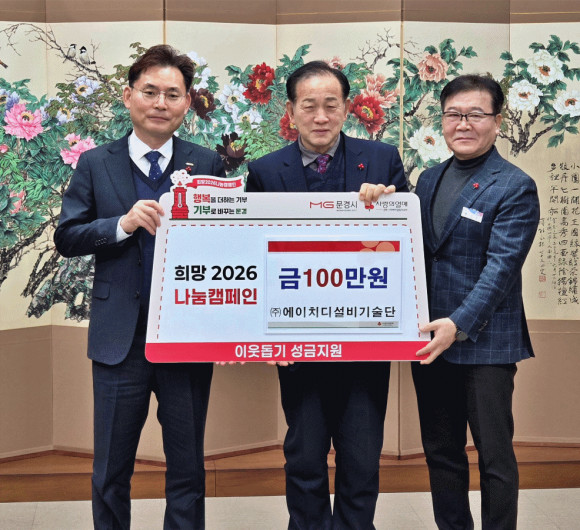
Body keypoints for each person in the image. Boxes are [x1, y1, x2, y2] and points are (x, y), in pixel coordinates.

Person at [54, 44, 225, 529]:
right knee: (111, 469)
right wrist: (122, 224)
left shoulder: (206, 163)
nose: (160, 103)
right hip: (119, 341)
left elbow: (227, 244)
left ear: (187, 103)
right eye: (150, 92)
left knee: (188, 469)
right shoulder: (95, 163)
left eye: (172, 94)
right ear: (129, 96)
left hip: (185, 337)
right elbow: (67, 237)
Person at [246, 60, 407, 529]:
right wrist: (263, 335)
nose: (320, 116)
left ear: (347, 108)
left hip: (366, 339)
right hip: (297, 342)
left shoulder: (381, 160)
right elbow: (252, 255)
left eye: (331, 105)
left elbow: (408, 242)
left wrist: (390, 203)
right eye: (309, 105)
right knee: (304, 456)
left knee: (362, 458)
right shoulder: (265, 171)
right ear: (291, 111)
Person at [412, 74, 540, 530]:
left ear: (497, 121)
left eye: (476, 114)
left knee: (494, 456)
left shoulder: (515, 185)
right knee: (441, 452)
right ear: (442, 120)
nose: (463, 124)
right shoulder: (428, 179)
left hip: (485, 342)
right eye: (453, 114)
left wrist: (458, 323)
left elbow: (501, 269)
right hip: (431, 340)